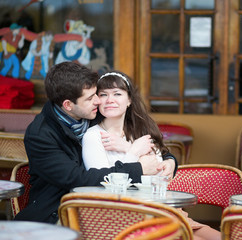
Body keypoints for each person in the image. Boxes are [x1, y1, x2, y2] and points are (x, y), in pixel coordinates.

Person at [14, 62, 177, 223]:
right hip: (58, 212)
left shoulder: (94, 114)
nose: (100, 101)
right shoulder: (41, 134)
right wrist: (138, 168)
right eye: (92, 97)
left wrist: (170, 161)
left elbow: (150, 146)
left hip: (107, 206)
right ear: (68, 105)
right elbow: (78, 179)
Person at [82, 71, 221, 240]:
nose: (109, 100)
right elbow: (102, 184)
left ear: (129, 100)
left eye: (117, 94)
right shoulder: (93, 136)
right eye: (103, 95)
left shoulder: (140, 132)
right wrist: (134, 152)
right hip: (121, 215)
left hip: (157, 209)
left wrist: (128, 147)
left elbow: (158, 174)